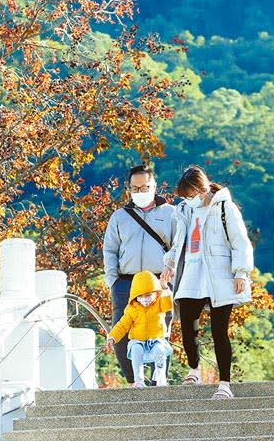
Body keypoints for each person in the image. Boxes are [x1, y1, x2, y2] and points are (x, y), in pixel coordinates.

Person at [160, 165, 253, 399]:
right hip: (191, 273)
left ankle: (224, 385)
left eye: (191, 195)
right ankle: (194, 370)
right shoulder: (184, 211)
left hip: (219, 276)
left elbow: (240, 242)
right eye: (185, 196)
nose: (188, 199)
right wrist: (169, 265)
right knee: (187, 328)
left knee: (219, 331)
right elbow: (178, 242)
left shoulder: (224, 207)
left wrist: (241, 273)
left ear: (202, 189)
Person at [103, 164, 176, 385]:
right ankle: (135, 381)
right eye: (135, 188)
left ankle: (158, 381)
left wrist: (170, 279)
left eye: (145, 187)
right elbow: (110, 249)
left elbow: (177, 246)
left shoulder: (170, 213)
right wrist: (112, 281)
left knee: (159, 332)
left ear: (154, 186)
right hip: (126, 282)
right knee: (123, 331)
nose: (140, 192)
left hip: (159, 282)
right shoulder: (120, 216)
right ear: (129, 189)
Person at [104, 270, 173, 387]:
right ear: (135, 296)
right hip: (138, 340)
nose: (145, 299)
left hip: (156, 339)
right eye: (140, 296)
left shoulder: (159, 304)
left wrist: (164, 287)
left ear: (156, 293)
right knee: (136, 351)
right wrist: (112, 337)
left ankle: (161, 376)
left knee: (160, 352)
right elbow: (122, 325)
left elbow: (168, 305)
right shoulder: (132, 309)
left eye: (148, 295)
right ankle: (139, 380)